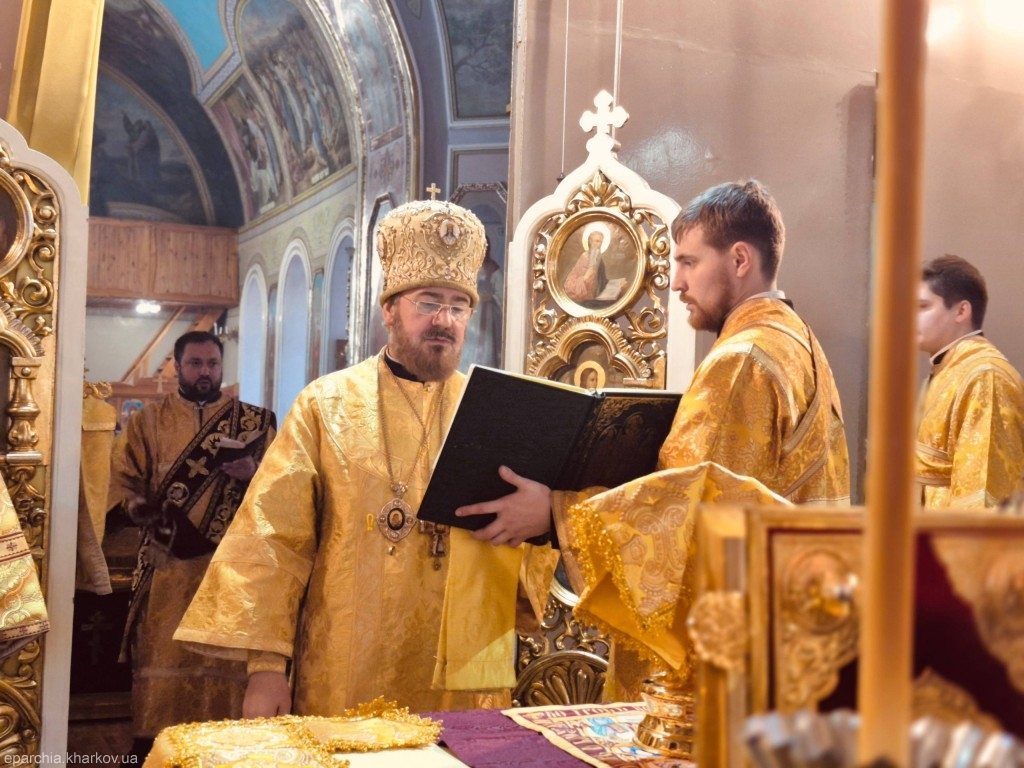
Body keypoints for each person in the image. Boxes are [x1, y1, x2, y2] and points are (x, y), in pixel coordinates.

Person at [457, 179, 850, 690]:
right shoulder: (798, 342)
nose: (677, 282)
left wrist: (554, 514)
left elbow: (685, 521)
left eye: (689, 262)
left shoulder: (741, 361)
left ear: (739, 259)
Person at [175, 197, 527, 718]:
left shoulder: (494, 410)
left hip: (465, 676)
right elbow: (274, 539)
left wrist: (540, 519)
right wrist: (266, 669)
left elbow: (529, 541)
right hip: (349, 666)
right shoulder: (327, 405)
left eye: (458, 306)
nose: (444, 320)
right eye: (428, 302)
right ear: (390, 309)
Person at [108, 330, 276, 757]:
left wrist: (252, 471)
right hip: (169, 567)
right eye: (196, 364)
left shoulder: (255, 422)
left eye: (213, 364)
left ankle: (222, 751)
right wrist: (144, 511)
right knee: (165, 654)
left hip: (231, 569)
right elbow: (122, 481)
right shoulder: (149, 421)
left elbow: (281, 488)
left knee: (225, 660)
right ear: (177, 367)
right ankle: (158, 750)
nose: (205, 372)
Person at [915, 254, 1024, 507]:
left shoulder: (985, 375)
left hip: (954, 530)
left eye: (922, 307)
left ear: (961, 311)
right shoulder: (949, 369)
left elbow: (982, 491)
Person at [564, 228, 608, 303]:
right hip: (582, 293)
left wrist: (616, 284)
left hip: (593, 294)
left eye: (600, 242)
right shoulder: (584, 256)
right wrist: (584, 279)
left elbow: (602, 279)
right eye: (596, 241)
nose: (598, 244)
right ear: (590, 241)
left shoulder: (599, 259)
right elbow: (576, 276)